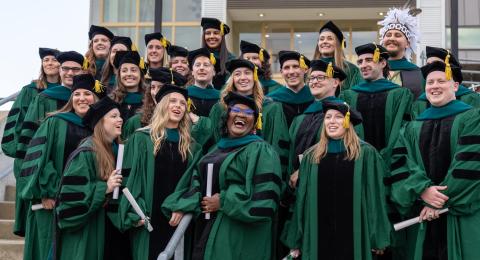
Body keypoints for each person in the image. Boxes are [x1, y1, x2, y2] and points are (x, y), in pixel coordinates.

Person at [163, 92, 281, 260]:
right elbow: (197, 180)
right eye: (235, 110)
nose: (241, 115)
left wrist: (223, 201)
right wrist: (185, 204)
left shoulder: (262, 151)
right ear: (226, 117)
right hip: (208, 228)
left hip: (241, 236)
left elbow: (266, 201)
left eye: (248, 113)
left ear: (255, 123)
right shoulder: (214, 151)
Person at [388, 61, 480, 260]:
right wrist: (422, 189)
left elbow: (470, 163)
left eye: (441, 81)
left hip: (460, 216)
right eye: (430, 82)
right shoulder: (411, 127)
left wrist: (437, 202)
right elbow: (400, 162)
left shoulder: (473, 118)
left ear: (455, 86)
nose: (434, 86)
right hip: (421, 214)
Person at [282, 101, 391, 260]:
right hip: (318, 232)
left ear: (348, 122)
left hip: (355, 233)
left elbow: (376, 197)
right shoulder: (311, 156)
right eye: (328, 117)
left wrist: (378, 237)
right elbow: (301, 202)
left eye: (338, 117)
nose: (332, 121)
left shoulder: (366, 154)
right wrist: (296, 239)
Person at [19, 74, 104, 260]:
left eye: (87, 94)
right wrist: (47, 192)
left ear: (96, 99)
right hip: (51, 203)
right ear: (71, 99)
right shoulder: (54, 122)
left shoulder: (100, 130)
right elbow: (38, 159)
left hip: (83, 205)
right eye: (77, 94)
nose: (82, 98)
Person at [119, 84, 202, 260]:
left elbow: (195, 182)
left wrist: (182, 206)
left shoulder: (192, 146)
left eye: (182, 103)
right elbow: (129, 180)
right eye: (172, 101)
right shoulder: (141, 139)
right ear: (162, 105)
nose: (178, 106)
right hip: (147, 217)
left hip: (178, 217)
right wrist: (135, 213)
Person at [55, 96, 128, 260]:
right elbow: (70, 205)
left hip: (106, 231)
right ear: (100, 123)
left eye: (120, 116)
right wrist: (105, 188)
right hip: (85, 235)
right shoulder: (86, 153)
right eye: (114, 116)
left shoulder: (113, 151)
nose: (120, 119)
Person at [1, 47, 60, 236]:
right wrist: (23, 153)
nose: (49, 63)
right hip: (31, 157)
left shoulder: (67, 92)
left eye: (53, 60)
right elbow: (16, 124)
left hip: (56, 158)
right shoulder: (30, 91)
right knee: (33, 220)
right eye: (46, 60)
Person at [340, 43, 412, 162]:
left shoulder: (400, 95)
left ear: (383, 63)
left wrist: (388, 155)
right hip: (357, 160)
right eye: (360, 62)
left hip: (389, 162)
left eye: (369, 60)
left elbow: (403, 130)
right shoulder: (349, 96)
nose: (363, 65)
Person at [16, 51, 86, 162]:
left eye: (76, 69)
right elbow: (30, 135)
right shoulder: (43, 98)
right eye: (65, 68)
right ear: (59, 70)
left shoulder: (88, 99)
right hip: (49, 166)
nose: (70, 73)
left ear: (82, 71)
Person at [288, 59, 346, 188]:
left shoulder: (344, 116)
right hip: (298, 188)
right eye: (311, 78)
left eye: (320, 77)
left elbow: (344, 153)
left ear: (335, 82)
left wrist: (305, 170)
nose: (314, 82)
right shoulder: (300, 119)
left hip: (329, 186)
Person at [411, 46, 480, 119]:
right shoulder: (421, 102)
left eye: (436, 63)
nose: (431, 67)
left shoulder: (471, 98)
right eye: (428, 64)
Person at [208, 59, 264, 143]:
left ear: (254, 77)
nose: (243, 78)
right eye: (237, 74)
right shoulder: (220, 108)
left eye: (247, 73)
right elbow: (214, 140)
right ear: (232, 79)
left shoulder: (267, 106)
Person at [122, 67, 187, 139]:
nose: (155, 92)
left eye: (160, 87)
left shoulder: (184, 124)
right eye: (153, 87)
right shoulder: (135, 122)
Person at [378, 8, 424, 98]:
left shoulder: (419, 74)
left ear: (408, 43)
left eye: (398, 35)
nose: (392, 38)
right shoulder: (373, 71)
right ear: (383, 41)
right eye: (388, 35)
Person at [312, 21, 362, 92]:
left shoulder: (351, 70)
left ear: (338, 44)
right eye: (321, 39)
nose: (325, 41)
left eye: (330, 38)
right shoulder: (309, 69)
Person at [201, 17, 236, 89]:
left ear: (222, 36)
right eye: (208, 33)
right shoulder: (197, 57)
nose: (211, 36)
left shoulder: (231, 59)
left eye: (216, 33)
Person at [110, 50, 146, 121]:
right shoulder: (111, 101)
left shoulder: (149, 100)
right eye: (124, 71)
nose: (129, 74)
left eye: (133, 70)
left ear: (140, 74)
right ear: (119, 75)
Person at [186, 48, 220, 117]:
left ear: (214, 72)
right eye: (197, 65)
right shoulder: (185, 94)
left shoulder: (221, 98)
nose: (201, 68)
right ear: (192, 72)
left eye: (206, 65)